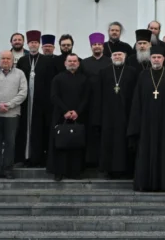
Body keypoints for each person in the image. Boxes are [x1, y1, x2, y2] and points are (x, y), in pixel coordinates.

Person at [127, 46, 165, 191]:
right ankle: (144, 184)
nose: (156, 60)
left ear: (163, 59)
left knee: (164, 152)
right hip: (146, 123)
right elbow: (137, 101)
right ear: (150, 58)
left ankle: (164, 184)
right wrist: (136, 123)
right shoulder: (143, 75)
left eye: (159, 57)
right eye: (154, 57)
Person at [0, 50, 28, 179]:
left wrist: (9, 105)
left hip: (12, 114)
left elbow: (23, 92)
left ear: (13, 60)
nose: (5, 61)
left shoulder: (20, 74)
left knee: (10, 142)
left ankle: (8, 169)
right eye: (3, 58)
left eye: (8, 58)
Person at [16, 30, 54, 167]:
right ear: (28, 44)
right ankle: (23, 157)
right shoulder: (22, 60)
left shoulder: (46, 61)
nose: (33, 45)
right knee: (23, 130)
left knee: (39, 130)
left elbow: (50, 81)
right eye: (31, 42)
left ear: (39, 44)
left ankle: (38, 158)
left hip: (41, 102)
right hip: (25, 102)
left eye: (36, 42)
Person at [47, 54, 89, 181]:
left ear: (78, 63)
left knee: (75, 144)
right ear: (65, 63)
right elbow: (54, 96)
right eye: (69, 61)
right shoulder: (57, 78)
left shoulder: (84, 79)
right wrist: (65, 111)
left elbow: (86, 97)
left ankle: (75, 172)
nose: (72, 63)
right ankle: (58, 172)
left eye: (74, 61)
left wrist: (77, 111)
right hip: (61, 116)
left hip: (78, 117)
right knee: (60, 144)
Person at [96, 50, 137, 177]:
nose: (117, 56)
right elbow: (99, 95)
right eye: (115, 55)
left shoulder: (132, 72)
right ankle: (109, 170)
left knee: (124, 142)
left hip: (127, 113)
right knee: (109, 142)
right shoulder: (104, 72)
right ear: (111, 57)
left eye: (120, 54)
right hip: (108, 114)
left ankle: (126, 170)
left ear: (124, 56)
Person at [81, 33, 113, 167]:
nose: (97, 47)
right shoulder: (84, 62)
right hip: (89, 102)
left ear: (103, 46)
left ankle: (103, 161)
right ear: (91, 46)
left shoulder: (109, 62)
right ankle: (89, 160)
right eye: (94, 45)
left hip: (106, 102)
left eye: (99, 44)